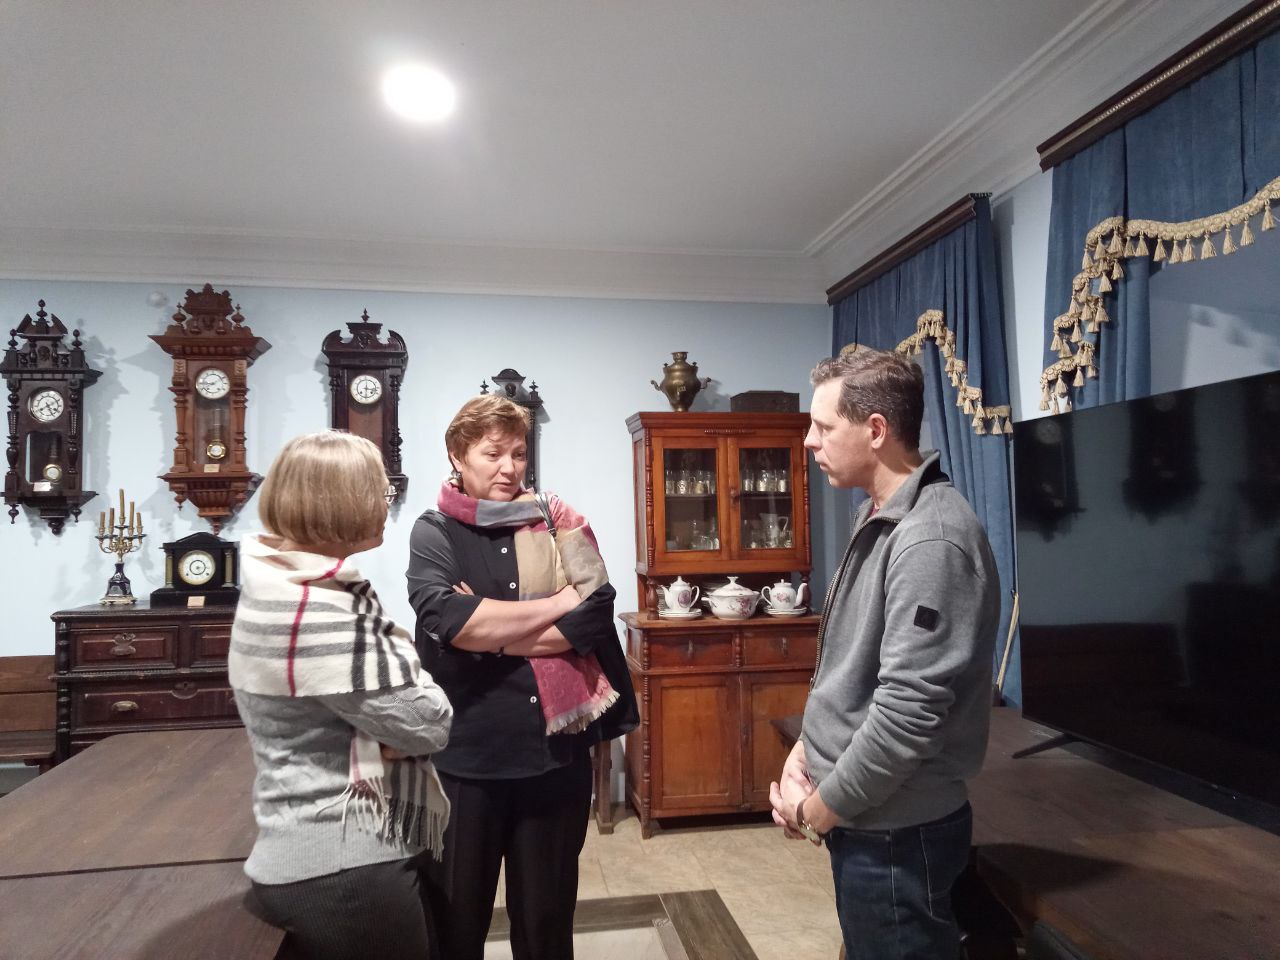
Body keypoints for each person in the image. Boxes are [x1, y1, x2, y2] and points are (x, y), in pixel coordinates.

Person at [770, 349, 1000, 960]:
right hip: (873, 820)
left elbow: (906, 716)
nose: (809, 442)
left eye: (823, 427)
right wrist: (805, 751)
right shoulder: (880, 516)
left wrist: (816, 812)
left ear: (875, 429)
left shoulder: (930, 539)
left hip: (897, 833)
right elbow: (850, 669)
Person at [407, 394, 637, 960]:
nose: (509, 468)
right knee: (456, 926)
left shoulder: (558, 521)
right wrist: (557, 603)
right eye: (493, 454)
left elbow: (594, 614)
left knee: (546, 927)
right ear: (458, 455)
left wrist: (493, 632)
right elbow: (450, 621)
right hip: (467, 764)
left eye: (518, 453)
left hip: (553, 760)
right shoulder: (434, 531)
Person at [229, 431, 453, 960]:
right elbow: (428, 721)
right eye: (379, 490)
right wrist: (396, 716)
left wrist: (383, 725)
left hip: (325, 851)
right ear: (340, 503)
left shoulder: (281, 585)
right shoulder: (315, 610)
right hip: (341, 864)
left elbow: (396, 715)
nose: (385, 502)